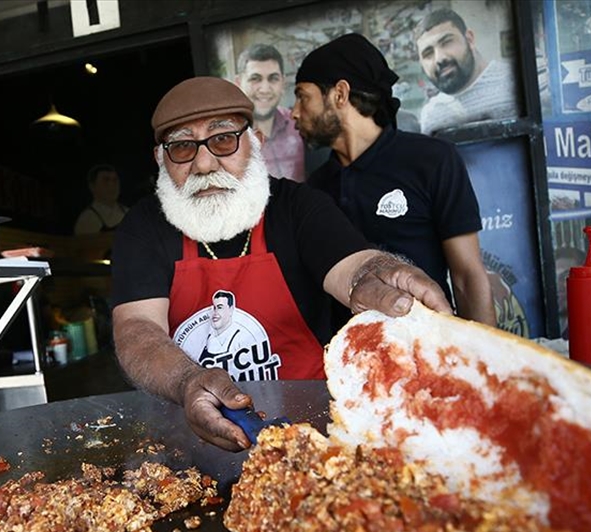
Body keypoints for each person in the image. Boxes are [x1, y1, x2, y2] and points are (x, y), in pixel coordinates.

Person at [111, 76, 453, 451]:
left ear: (255, 143)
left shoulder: (298, 208)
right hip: (198, 444)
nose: (204, 164)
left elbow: (352, 267)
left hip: (314, 438)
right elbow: (136, 327)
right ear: (161, 159)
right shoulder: (143, 228)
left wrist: (376, 275)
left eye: (223, 139)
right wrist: (186, 381)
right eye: (181, 147)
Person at [292, 33, 496, 327]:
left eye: (302, 96)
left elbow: (467, 275)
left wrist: (485, 362)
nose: (294, 112)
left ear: (340, 94)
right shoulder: (315, 189)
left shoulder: (431, 160)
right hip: (350, 359)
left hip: (429, 345)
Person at [413, 9, 519, 136]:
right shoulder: (432, 115)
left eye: (447, 42)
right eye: (428, 53)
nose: (440, 58)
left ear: (469, 39)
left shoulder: (518, 82)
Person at [234, 43, 306, 181]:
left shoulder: (298, 124)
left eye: (273, 78)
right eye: (255, 79)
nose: (265, 89)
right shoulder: (228, 137)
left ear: (283, 83)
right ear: (238, 83)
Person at [73, 164, 129, 234]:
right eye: (106, 180)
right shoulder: (87, 220)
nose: (112, 185)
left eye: (115, 180)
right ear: (92, 186)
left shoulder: (128, 213)